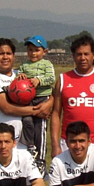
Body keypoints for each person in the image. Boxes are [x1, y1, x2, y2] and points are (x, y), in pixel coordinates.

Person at [50, 35, 94, 167]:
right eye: (79, 54)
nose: (83, 58)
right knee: (69, 180)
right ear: (73, 56)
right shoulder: (63, 79)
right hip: (70, 143)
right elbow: (56, 114)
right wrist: (55, 145)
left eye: (86, 54)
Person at [0, 38, 52, 144]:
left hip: (30, 139)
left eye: (8, 53)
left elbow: (51, 90)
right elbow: (7, 108)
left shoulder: (21, 74)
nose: (5, 57)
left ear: (13, 56)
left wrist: (49, 104)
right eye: (1, 53)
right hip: (6, 140)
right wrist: (38, 111)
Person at [16, 35, 55, 175]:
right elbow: (18, 77)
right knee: (26, 121)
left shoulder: (46, 64)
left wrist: (39, 80)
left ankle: (41, 161)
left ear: (44, 51)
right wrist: (20, 77)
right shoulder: (24, 66)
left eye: (37, 50)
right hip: (28, 100)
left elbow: (51, 78)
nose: (33, 53)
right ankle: (31, 147)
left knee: (40, 130)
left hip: (42, 99)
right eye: (30, 50)